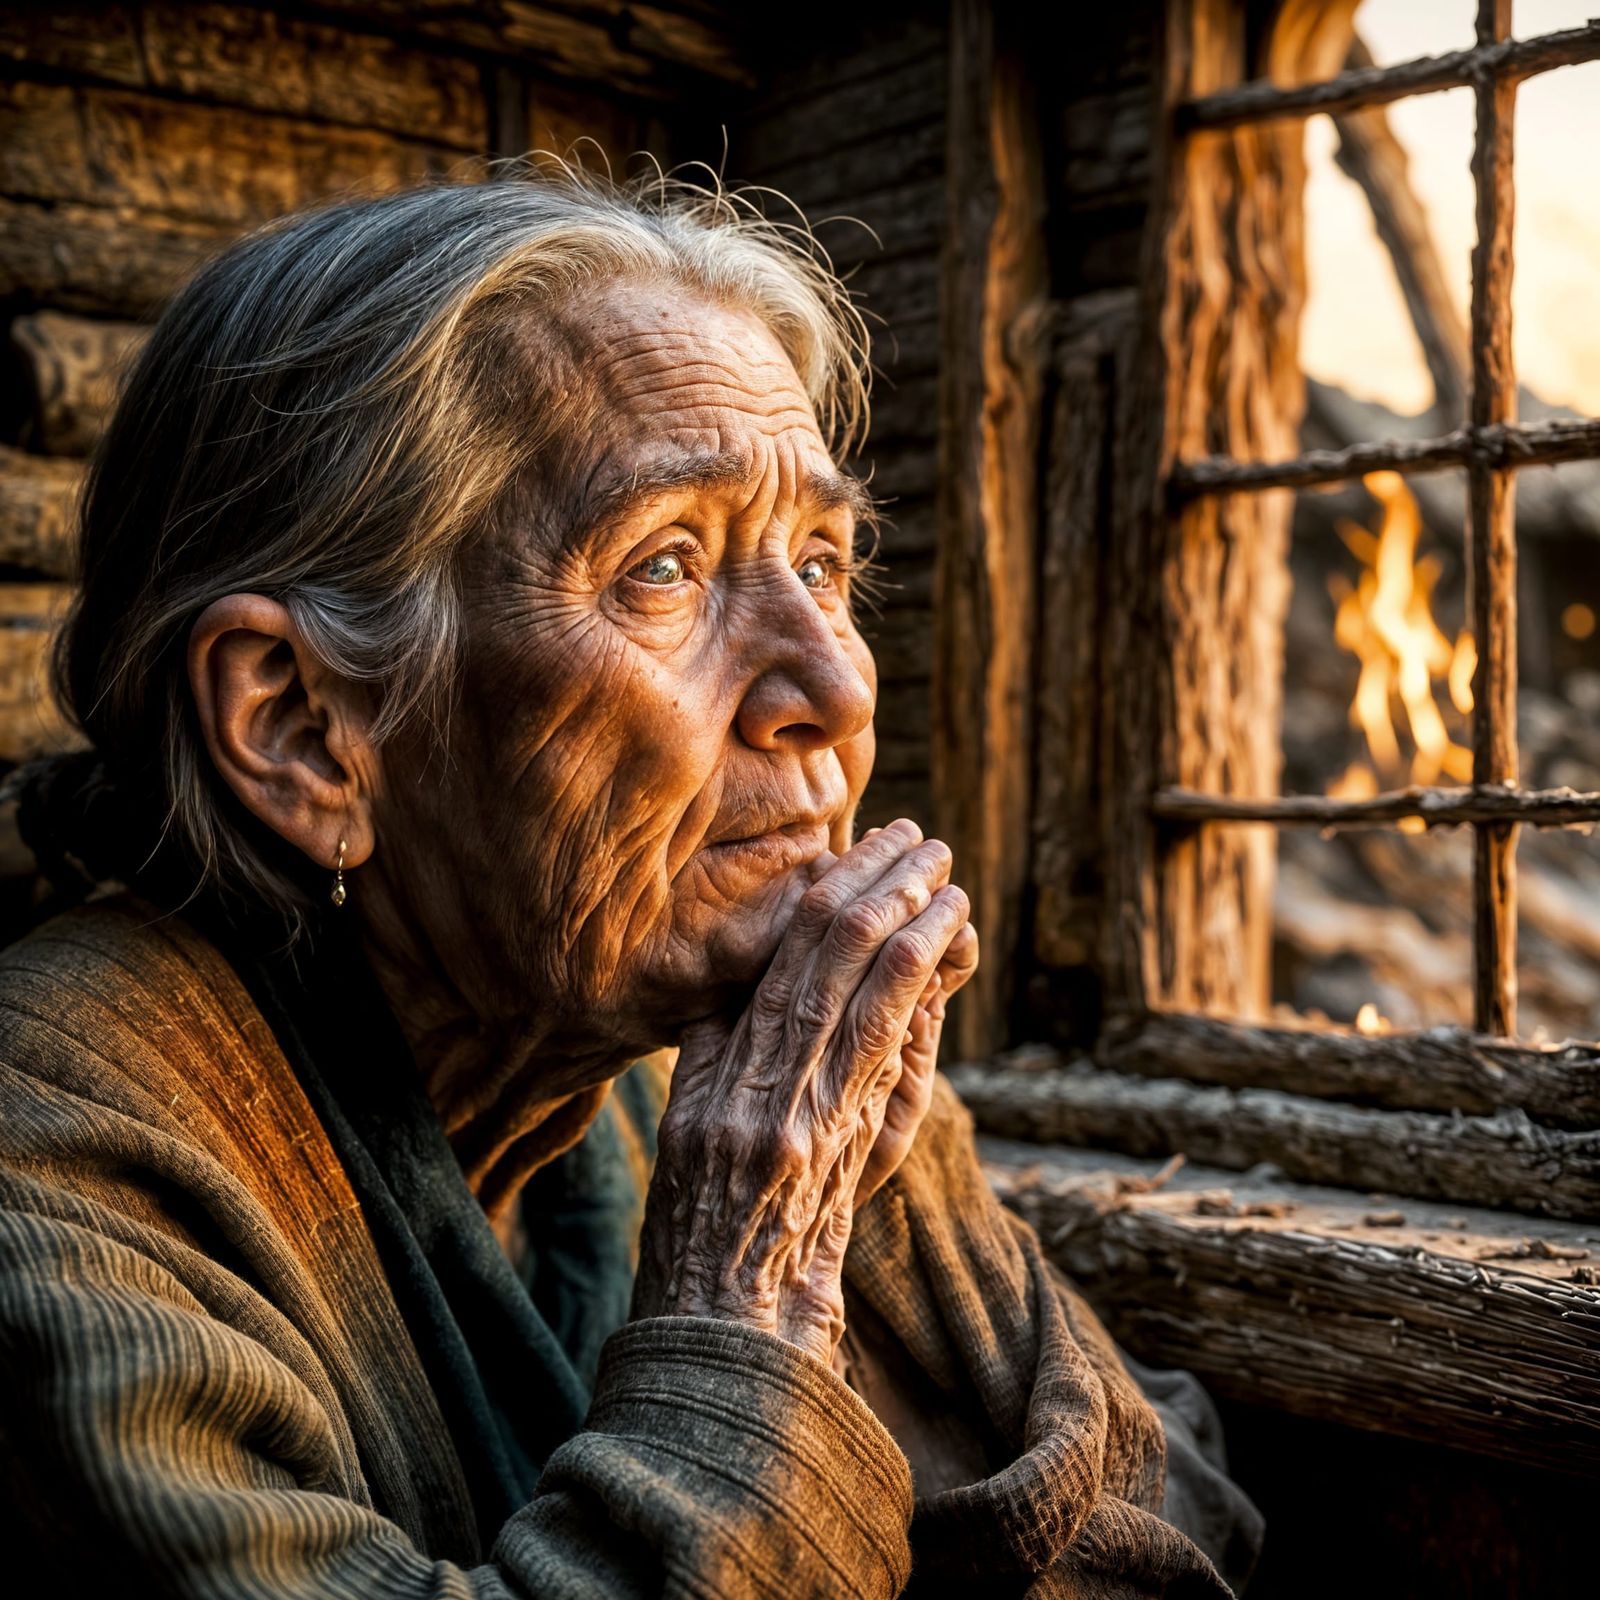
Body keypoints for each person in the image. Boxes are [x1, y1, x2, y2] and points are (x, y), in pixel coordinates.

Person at [0, 166, 1261, 1597]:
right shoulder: (48, 1167)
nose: (834, 683)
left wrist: (873, 1196)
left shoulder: (722, 1070)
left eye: (824, 561)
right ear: (301, 728)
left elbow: (1168, 1519)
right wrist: (750, 1310)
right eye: (665, 568)